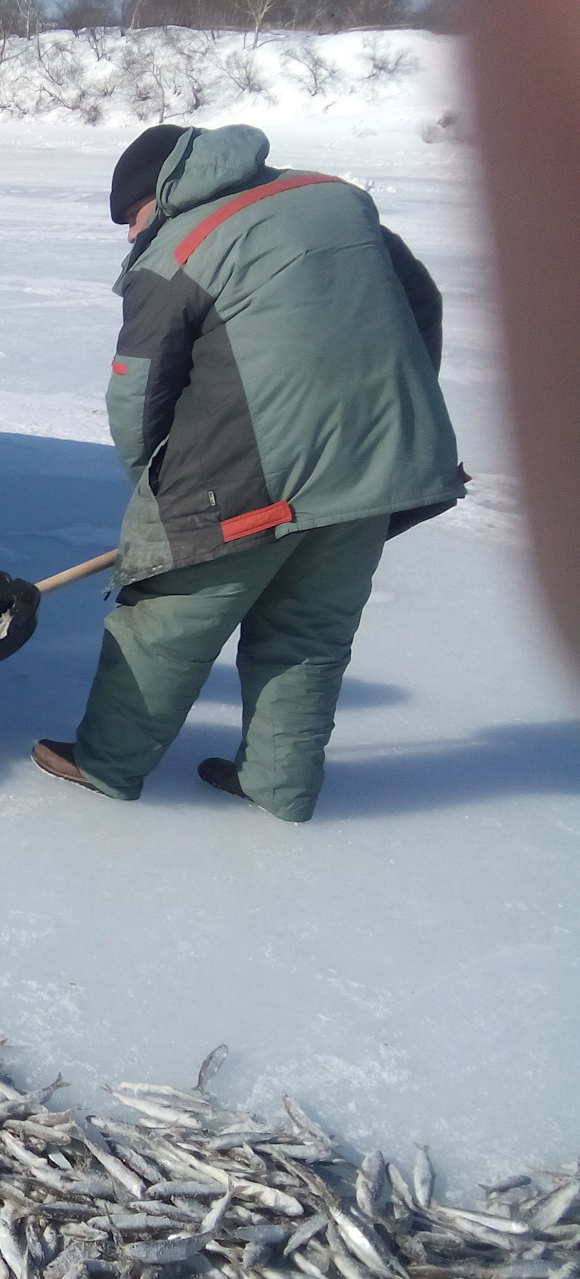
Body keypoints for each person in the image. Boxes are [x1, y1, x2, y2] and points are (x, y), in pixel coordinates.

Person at [33, 123, 465, 822]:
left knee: (168, 623)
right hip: (372, 471)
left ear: (161, 197)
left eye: (132, 218)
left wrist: (159, 491)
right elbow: (422, 305)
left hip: (247, 479)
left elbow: (138, 390)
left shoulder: (180, 247)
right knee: (309, 633)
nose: (130, 235)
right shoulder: (334, 199)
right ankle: (279, 786)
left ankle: (107, 764)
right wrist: (390, 427)